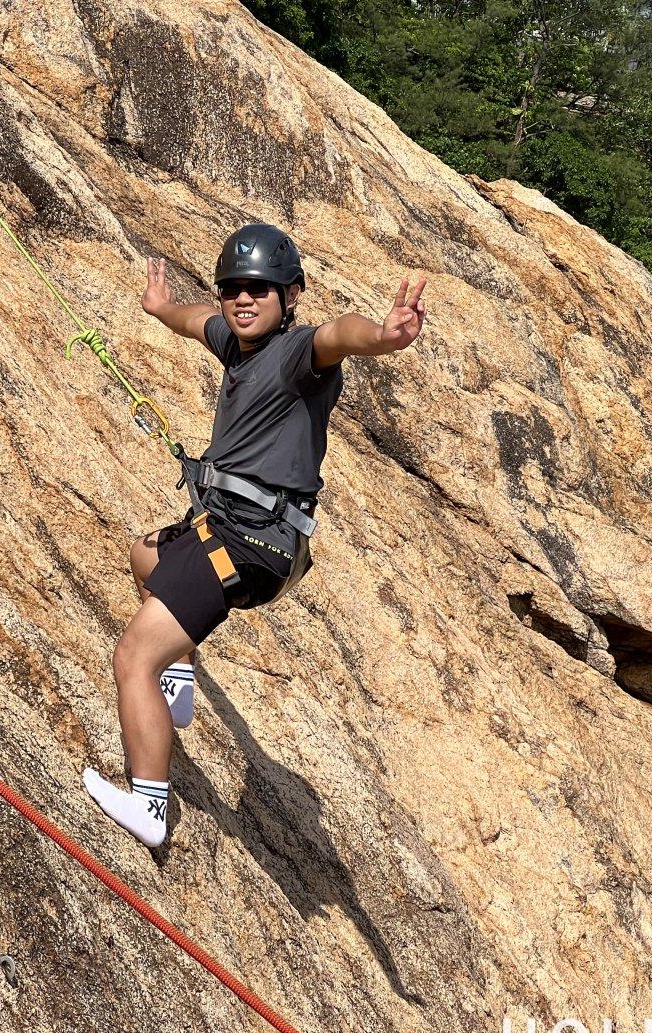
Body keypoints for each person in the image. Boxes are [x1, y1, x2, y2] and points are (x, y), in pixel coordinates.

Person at [83, 223, 428, 847]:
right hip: (229, 531)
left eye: (261, 290)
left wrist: (381, 336)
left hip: (250, 539)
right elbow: (197, 322)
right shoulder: (235, 342)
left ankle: (149, 804)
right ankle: (180, 683)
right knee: (144, 555)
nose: (244, 300)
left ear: (290, 295)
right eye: (234, 288)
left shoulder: (299, 355)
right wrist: (162, 309)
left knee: (134, 656)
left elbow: (339, 334)